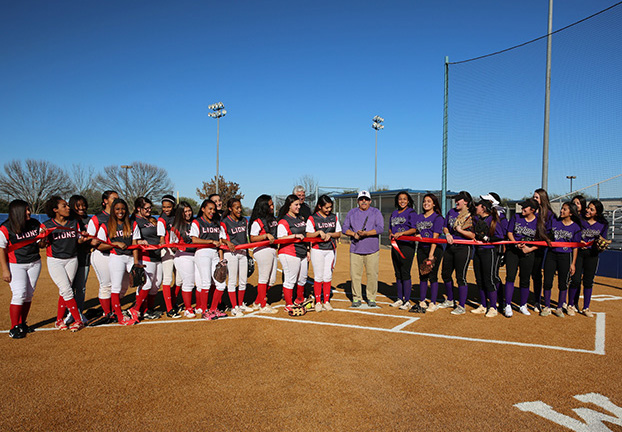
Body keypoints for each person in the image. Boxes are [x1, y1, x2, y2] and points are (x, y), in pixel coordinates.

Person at [0, 200, 45, 339]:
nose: (28, 212)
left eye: (28, 209)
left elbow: (41, 245)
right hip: (16, 264)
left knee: (29, 294)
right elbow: (1, 249)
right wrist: (4, 270)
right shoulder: (6, 227)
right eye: (25, 210)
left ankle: (22, 323)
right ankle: (14, 327)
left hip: (34, 262)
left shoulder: (34, 223)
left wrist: (44, 236)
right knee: (19, 293)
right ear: (17, 212)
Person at [43, 196, 88, 332]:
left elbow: (78, 240)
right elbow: (41, 244)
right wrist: (42, 238)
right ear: (55, 210)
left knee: (64, 290)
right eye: (64, 206)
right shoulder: (47, 224)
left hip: (72, 259)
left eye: (67, 205)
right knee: (67, 290)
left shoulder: (74, 222)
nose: (68, 208)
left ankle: (59, 320)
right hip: (56, 260)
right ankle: (78, 320)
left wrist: (83, 238)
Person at [96, 198, 140, 325]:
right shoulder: (105, 225)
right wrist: (114, 244)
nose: (120, 211)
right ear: (113, 210)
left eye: (123, 209)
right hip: (116, 257)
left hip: (130, 257)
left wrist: (136, 262)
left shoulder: (132, 224)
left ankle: (135, 309)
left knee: (144, 281)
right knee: (116, 286)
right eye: (117, 209)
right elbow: (99, 246)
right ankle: (119, 315)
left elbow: (135, 244)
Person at [342, 190, 384, 308]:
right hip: (356, 249)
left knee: (372, 274)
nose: (363, 201)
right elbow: (345, 228)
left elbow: (380, 228)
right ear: (358, 201)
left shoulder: (376, 212)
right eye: (361, 199)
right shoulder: (352, 212)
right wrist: (354, 234)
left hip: (372, 249)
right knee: (355, 275)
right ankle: (356, 298)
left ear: (370, 201)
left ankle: (371, 297)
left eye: (366, 199)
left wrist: (366, 233)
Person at [504, 198, 544, 316]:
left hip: (528, 253)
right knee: (510, 277)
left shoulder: (539, 222)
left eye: (525, 207)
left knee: (525, 279)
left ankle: (522, 305)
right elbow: (510, 232)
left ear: (532, 210)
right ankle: (508, 305)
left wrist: (530, 249)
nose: (522, 209)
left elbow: (541, 241)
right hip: (513, 251)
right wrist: (515, 243)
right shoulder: (516, 217)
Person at [569, 200, 609, 317]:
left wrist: (601, 244)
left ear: (597, 213)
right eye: (588, 208)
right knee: (575, 280)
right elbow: (574, 233)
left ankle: (586, 307)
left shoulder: (603, 224)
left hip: (592, 254)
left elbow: (603, 239)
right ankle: (571, 305)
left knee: (588, 281)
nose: (588, 210)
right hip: (579, 253)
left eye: (592, 209)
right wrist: (578, 241)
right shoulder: (580, 220)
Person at [541, 202, 581, 318]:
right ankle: (547, 306)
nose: (561, 211)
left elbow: (575, 247)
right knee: (548, 281)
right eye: (562, 209)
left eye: (565, 209)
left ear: (571, 213)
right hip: (551, 255)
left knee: (563, 283)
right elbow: (545, 233)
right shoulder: (554, 222)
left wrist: (573, 263)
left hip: (565, 256)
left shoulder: (576, 227)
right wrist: (547, 239)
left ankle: (559, 308)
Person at [440, 191, 476, 315]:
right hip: (450, 247)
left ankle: (461, 305)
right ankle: (450, 299)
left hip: (463, 247)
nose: (456, 202)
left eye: (459, 200)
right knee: (445, 273)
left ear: (465, 202)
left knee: (460, 277)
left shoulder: (472, 215)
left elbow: (473, 235)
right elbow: (445, 226)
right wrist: (448, 233)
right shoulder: (451, 212)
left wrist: (460, 231)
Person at [191, 199, 227, 320]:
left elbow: (221, 242)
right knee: (206, 282)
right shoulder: (197, 222)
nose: (212, 211)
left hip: (215, 254)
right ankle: (205, 310)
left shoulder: (217, 223)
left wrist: (221, 259)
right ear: (203, 209)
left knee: (221, 284)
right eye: (209, 209)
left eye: (214, 209)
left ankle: (213, 309)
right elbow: (194, 240)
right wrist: (210, 241)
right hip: (202, 253)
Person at [306, 194, 342, 312]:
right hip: (318, 249)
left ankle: (326, 301)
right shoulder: (313, 218)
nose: (329, 210)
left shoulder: (333, 217)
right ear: (320, 206)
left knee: (328, 275)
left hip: (330, 249)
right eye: (326, 207)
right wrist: (318, 233)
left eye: (330, 207)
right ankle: (318, 302)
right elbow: (308, 235)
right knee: (318, 276)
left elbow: (338, 233)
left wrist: (330, 234)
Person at [87, 190, 119, 320]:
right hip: (102, 254)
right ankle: (107, 312)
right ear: (105, 201)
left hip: (116, 255)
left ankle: (109, 308)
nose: (116, 201)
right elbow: (90, 238)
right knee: (106, 285)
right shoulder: (97, 218)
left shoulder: (119, 215)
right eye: (113, 198)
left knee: (119, 285)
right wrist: (93, 241)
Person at [470, 199, 504, 318]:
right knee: (479, 280)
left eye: (478, 206)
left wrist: (487, 238)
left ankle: (493, 307)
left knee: (489, 279)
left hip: (489, 252)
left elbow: (499, 237)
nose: (476, 208)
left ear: (483, 208)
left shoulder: (492, 220)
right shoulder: (477, 219)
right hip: (478, 251)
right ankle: (483, 305)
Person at [413, 193, 445, 313]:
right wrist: (416, 234)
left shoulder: (438, 218)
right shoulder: (419, 217)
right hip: (422, 248)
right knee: (423, 274)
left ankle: (432, 302)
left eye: (429, 201)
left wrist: (431, 255)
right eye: (424, 201)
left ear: (434, 204)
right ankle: (422, 300)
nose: (426, 203)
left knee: (432, 275)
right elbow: (417, 231)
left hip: (434, 249)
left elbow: (435, 237)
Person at [132, 197, 162, 320]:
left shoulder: (152, 219)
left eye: (150, 208)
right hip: (145, 255)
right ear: (139, 209)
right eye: (146, 208)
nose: (149, 210)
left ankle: (149, 308)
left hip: (157, 254)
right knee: (146, 283)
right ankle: (138, 309)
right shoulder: (134, 220)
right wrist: (139, 241)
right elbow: (131, 237)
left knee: (157, 283)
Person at [220, 198, 251, 317]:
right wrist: (227, 242)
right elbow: (221, 237)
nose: (239, 209)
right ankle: (234, 307)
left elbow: (246, 236)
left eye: (240, 207)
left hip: (242, 252)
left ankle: (240, 304)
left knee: (243, 280)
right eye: (236, 208)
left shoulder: (244, 220)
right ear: (230, 209)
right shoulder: (225, 221)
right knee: (232, 280)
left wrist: (247, 253)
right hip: (231, 253)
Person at [277, 194, 308, 312]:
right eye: (296, 204)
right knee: (290, 279)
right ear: (289, 206)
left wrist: (308, 251)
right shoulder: (284, 221)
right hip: (289, 251)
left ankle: (299, 300)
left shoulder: (300, 218)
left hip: (302, 251)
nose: (299, 207)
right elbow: (280, 238)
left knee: (302, 278)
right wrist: (294, 236)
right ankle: (288, 304)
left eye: (299, 204)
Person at [248, 195, 279, 314]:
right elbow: (252, 238)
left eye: (272, 204)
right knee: (264, 278)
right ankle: (263, 304)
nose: (272, 207)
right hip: (262, 250)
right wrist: (265, 236)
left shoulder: (273, 219)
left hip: (272, 250)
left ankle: (257, 301)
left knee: (271, 280)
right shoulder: (258, 221)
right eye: (270, 205)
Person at [388, 191, 418, 311]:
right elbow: (390, 228)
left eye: (404, 199)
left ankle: (407, 301)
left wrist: (402, 233)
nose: (402, 201)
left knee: (405, 272)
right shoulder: (394, 213)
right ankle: (399, 298)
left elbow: (414, 229)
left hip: (407, 246)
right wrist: (391, 234)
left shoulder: (411, 212)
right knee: (398, 272)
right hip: (395, 245)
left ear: (408, 201)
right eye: (400, 199)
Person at [170, 201, 197, 318]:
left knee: (198, 281)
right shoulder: (176, 227)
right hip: (183, 255)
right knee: (188, 282)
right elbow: (172, 245)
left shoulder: (195, 223)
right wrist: (177, 247)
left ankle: (199, 306)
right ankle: (188, 308)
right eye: (185, 211)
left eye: (189, 210)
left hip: (196, 254)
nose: (188, 213)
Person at [67, 194, 91, 324]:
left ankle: (79, 312)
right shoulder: (68, 221)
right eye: (78, 206)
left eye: (83, 205)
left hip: (84, 257)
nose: (82, 208)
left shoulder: (89, 220)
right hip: (69, 258)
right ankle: (69, 313)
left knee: (81, 287)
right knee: (68, 287)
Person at [157, 195, 180, 318]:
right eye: (164, 207)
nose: (166, 209)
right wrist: (166, 245)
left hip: (178, 250)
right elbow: (161, 238)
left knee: (180, 280)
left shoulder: (177, 217)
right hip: (167, 251)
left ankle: (174, 301)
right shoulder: (162, 219)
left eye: (169, 206)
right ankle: (169, 307)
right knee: (167, 279)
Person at [531, 188, 554, 312]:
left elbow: (550, 233)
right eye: (534, 197)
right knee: (534, 274)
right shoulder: (531, 211)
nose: (534, 199)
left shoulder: (549, 214)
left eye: (536, 197)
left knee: (543, 276)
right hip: (531, 247)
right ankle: (536, 299)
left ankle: (540, 301)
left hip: (543, 249)